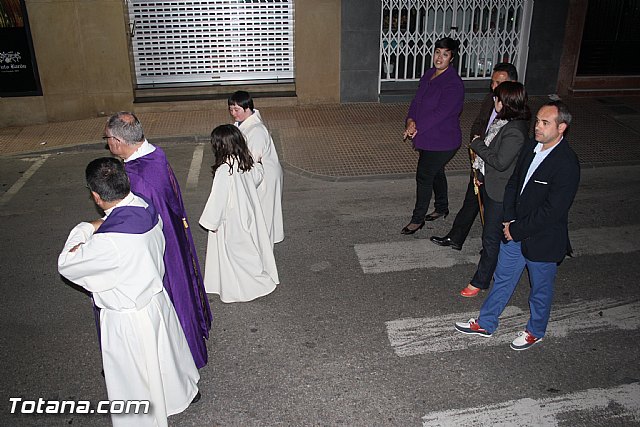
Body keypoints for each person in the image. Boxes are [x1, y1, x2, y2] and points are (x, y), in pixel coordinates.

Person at [58, 158, 200, 427]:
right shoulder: (145, 207)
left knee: (133, 376)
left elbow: (67, 264)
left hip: (128, 318)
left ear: (96, 196)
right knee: (164, 359)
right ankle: (176, 395)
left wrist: (85, 228)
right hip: (155, 303)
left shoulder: (107, 242)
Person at [454, 101, 580, 350]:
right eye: (537, 121)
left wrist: (516, 229)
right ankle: (486, 323)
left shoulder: (567, 163)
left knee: (540, 290)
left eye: (545, 123)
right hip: (514, 230)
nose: (538, 127)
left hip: (542, 240)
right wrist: (508, 219)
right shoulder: (531, 146)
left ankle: (535, 330)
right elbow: (514, 183)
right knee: (503, 279)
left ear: (562, 127)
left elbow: (553, 211)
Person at [105, 112, 212, 369]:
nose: (106, 143)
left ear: (118, 141)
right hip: (174, 233)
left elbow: (132, 219)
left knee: (167, 298)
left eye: (107, 138)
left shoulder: (135, 177)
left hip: (160, 247)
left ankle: (175, 359)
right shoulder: (155, 154)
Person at [430, 63, 519, 250]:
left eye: (500, 83)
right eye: (492, 82)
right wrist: (475, 142)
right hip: (481, 162)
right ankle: (456, 237)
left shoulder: (517, 110)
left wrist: (480, 146)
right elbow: (479, 123)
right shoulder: (490, 99)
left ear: (513, 84)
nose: (494, 87)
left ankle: (495, 247)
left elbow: (506, 153)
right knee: (471, 201)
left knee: (495, 211)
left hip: (496, 169)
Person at [459, 81, 530, 297]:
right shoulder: (504, 122)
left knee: (491, 238)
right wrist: (481, 174)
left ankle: (481, 280)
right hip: (492, 184)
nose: (493, 101)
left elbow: (499, 161)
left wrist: (477, 144)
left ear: (505, 102)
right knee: (495, 236)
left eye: (497, 98)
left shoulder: (515, 131)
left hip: (501, 193)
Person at [199, 124, 279, 302]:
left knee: (235, 254)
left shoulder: (224, 169)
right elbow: (257, 177)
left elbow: (218, 199)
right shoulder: (244, 161)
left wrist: (212, 222)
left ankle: (252, 285)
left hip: (232, 217)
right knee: (246, 249)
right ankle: (253, 280)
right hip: (248, 212)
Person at [401, 37, 464, 235]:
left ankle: (417, 220)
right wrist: (410, 120)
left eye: (445, 54)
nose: (439, 57)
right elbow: (416, 102)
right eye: (437, 52)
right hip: (427, 137)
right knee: (436, 172)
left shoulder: (453, 84)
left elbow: (441, 114)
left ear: (451, 58)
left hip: (443, 140)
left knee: (424, 176)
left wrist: (416, 128)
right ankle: (442, 207)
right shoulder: (429, 74)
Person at [228, 91, 284, 246]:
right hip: (260, 175)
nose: (233, 113)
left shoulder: (256, 130)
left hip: (264, 179)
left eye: (236, 110)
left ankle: (264, 254)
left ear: (247, 108)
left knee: (263, 217)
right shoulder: (244, 124)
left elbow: (251, 158)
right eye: (231, 109)